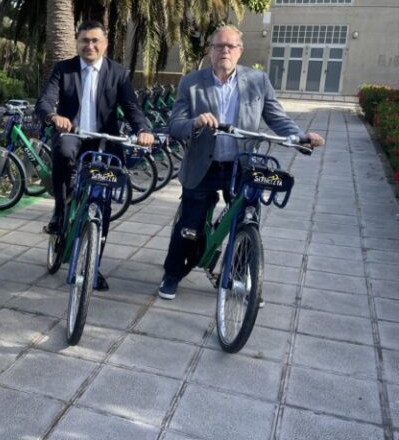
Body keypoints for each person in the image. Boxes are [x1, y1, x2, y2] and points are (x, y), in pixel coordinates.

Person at [158, 24, 325, 300]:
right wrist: (195, 123)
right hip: (203, 166)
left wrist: (300, 137)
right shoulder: (192, 82)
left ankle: (237, 275)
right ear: (210, 50)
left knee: (249, 220)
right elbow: (174, 124)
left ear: (240, 51)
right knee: (188, 227)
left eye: (230, 46)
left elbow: (277, 118)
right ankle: (172, 274)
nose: (224, 51)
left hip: (243, 165)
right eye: (219, 46)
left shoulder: (258, 81)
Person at [36, 20, 154, 291]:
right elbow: (45, 101)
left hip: (104, 141)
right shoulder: (63, 69)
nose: (90, 45)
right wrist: (54, 116)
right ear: (77, 43)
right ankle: (60, 211)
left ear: (105, 44)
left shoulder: (119, 73)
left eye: (95, 41)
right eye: (84, 41)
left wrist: (144, 130)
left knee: (102, 205)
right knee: (64, 154)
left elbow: (131, 107)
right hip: (72, 135)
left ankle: (94, 265)